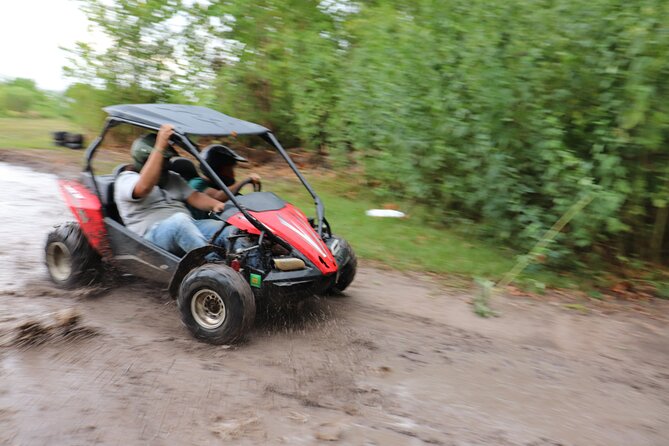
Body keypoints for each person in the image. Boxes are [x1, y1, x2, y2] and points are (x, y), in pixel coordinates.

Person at [114, 124, 233, 257]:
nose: (167, 164)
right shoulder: (126, 179)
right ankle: (213, 268)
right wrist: (160, 146)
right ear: (144, 160)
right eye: (163, 160)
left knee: (229, 230)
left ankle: (252, 271)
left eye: (166, 160)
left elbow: (196, 197)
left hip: (188, 227)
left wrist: (217, 205)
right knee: (179, 222)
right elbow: (144, 187)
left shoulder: (172, 178)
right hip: (149, 240)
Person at [187, 144, 261, 220]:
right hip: (199, 227)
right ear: (215, 169)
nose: (233, 174)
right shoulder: (197, 184)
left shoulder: (219, 186)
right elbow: (218, 196)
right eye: (229, 170)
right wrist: (245, 181)